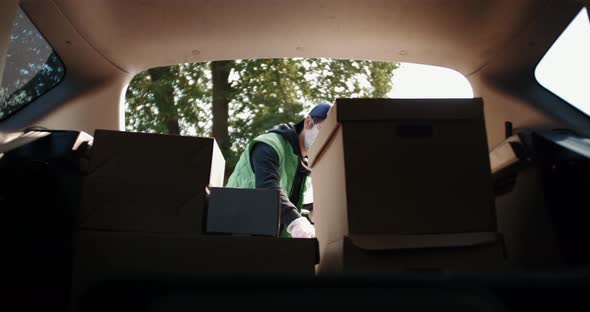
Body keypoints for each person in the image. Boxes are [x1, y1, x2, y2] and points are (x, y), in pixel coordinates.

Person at [226, 103, 331, 238]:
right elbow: (268, 189)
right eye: (322, 132)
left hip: (267, 240)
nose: (324, 142)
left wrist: (309, 215)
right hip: (238, 233)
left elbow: (288, 202)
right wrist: (296, 221)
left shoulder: (302, 164)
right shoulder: (269, 145)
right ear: (308, 122)